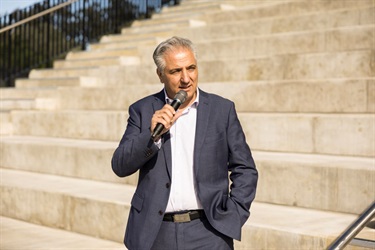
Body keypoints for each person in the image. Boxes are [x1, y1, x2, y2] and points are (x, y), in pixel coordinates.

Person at [111, 36, 258, 250]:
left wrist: (234, 213)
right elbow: (120, 166)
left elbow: (245, 169)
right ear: (160, 75)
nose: (186, 78)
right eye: (175, 71)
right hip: (156, 233)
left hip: (210, 232)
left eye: (191, 68)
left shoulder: (222, 110)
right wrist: (151, 136)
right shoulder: (142, 110)